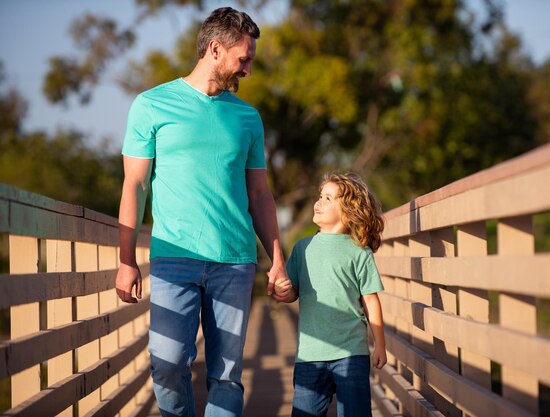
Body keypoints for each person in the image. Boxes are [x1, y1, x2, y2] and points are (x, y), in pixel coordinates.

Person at [115, 7, 288, 417]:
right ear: (215, 49)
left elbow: (260, 194)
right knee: (167, 362)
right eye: (243, 59)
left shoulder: (247, 117)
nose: (247, 70)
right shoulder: (152, 105)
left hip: (235, 262)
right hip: (174, 258)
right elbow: (135, 184)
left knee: (226, 376)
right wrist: (126, 260)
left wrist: (278, 258)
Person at [274, 172, 387, 417]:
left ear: (348, 212)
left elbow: (370, 299)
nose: (319, 201)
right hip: (310, 354)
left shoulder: (359, 251)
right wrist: (283, 291)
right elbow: (292, 291)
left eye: (328, 198)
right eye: (320, 196)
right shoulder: (303, 248)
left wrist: (380, 344)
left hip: (351, 352)